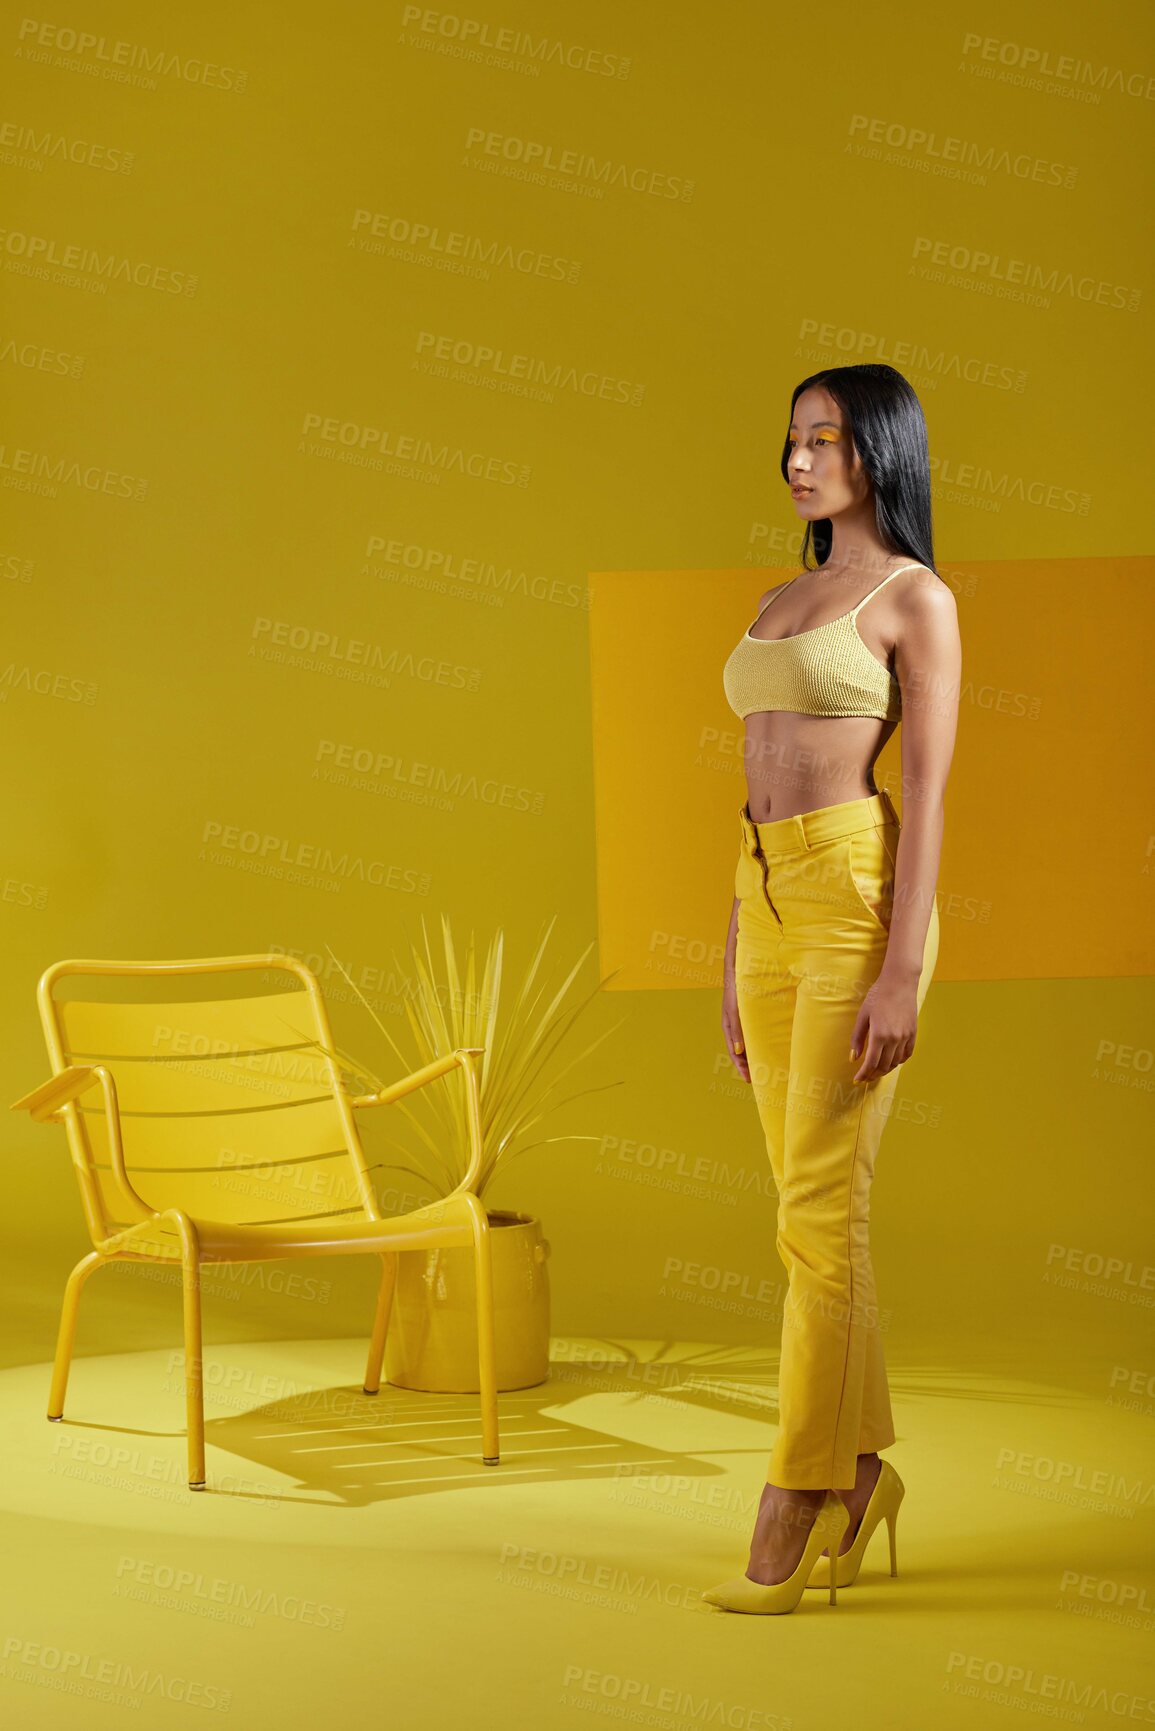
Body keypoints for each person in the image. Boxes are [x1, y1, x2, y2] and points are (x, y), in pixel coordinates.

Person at [701, 363, 961, 1615]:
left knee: (819, 1215)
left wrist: (904, 967)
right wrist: (727, 952)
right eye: (792, 438)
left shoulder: (916, 601)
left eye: (829, 439)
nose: (802, 459)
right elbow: (749, 783)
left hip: (856, 897)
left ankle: (797, 1491)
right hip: (763, 903)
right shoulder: (780, 596)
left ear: (881, 456)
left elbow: (933, 801)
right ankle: (861, 1473)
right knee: (804, 1212)